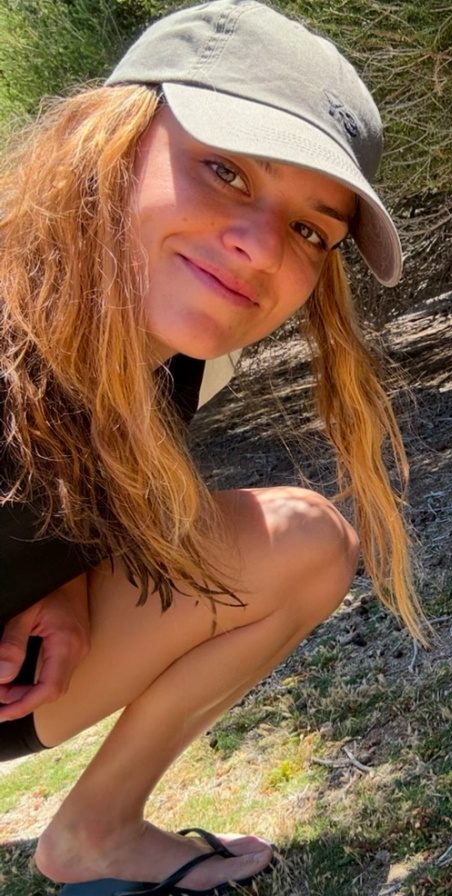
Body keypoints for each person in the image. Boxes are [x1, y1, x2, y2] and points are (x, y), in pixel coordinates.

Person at [0, 1, 426, 892]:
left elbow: (86, 474)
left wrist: (73, 579)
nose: (261, 248)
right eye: (225, 171)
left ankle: (98, 833)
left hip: (27, 675)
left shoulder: (195, 351)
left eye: (313, 229)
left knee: (307, 543)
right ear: (109, 140)